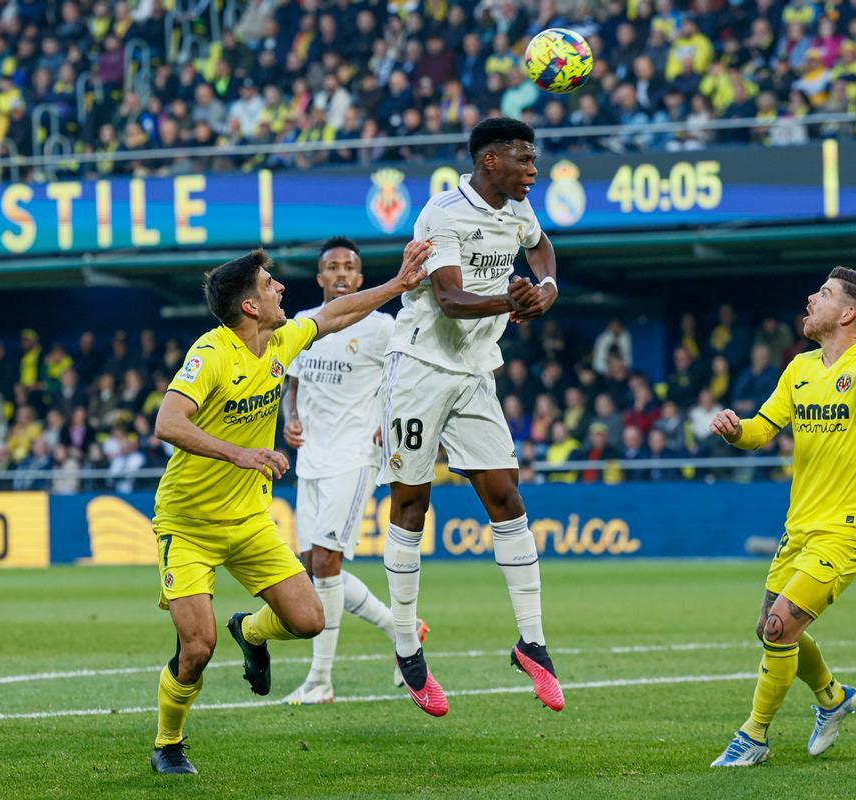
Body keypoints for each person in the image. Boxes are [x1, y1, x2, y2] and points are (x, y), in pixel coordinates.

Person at [147, 243, 428, 775]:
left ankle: (250, 631)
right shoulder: (211, 354)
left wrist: (397, 285)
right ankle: (169, 742)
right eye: (269, 283)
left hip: (249, 521)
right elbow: (169, 423)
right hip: (188, 524)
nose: (280, 287)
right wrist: (242, 454)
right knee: (197, 648)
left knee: (309, 619)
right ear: (249, 306)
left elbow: (336, 313)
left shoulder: (282, 340)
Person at [709, 267, 856, 767]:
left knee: (778, 626)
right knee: (771, 629)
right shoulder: (799, 368)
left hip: (851, 527)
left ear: (849, 314)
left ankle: (754, 736)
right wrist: (734, 430)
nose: (812, 298)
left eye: (825, 294)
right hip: (801, 527)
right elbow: (760, 430)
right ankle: (833, 698)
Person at [378, 117, 562, 718]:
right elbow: (451, 300)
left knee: (506, 496)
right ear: (491, 162)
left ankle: (532, 644)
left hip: (475, 371)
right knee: (412, 501)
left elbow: (539, 246)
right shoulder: (442, 214)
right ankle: (407, 648)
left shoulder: (515, 211)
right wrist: (511, 302)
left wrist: (547, 287)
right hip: (420, 369)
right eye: (524, 161)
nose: (533, 171)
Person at [280, 236, 426, 705]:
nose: (341, 274)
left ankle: (320, 680)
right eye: (332, 267)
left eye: (349, 267)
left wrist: (391, 422)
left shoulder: (382, 328)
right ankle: (405, 634)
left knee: (326, 564)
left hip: (354, 456)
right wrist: (290, 419)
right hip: (312, 460)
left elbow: (406, 377)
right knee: (311, 567)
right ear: (320, 278)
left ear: (360, 279)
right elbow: (292, 385)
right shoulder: (303, 325)